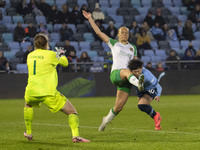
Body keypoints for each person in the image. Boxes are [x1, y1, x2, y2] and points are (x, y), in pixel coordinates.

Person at [82, 10, 144, 131]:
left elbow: (135, 65)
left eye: (126, 32)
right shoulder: (114, 43)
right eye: (122, 32)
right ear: (118, 35)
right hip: (117, 74)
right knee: (126, 70)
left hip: (127, 79)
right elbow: (99, 32)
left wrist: (138, 72)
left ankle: (105, 121)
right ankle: (139, 84)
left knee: (119, 107)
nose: (125, 34)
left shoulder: (133, 48)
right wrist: (90, 19)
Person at [23, 33, 90, 143]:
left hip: (31, 91)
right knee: (72, 112)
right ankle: (76, 137)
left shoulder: (30, 55)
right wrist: (60, 54)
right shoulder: (51, 55)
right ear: (46, 44)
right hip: (48, 92)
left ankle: (29, 133)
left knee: (28, 104)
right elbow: (65, 63)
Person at [127, 59, 162, 130]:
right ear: (131, 71)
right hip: (140, 90)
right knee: (144, 107)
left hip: (150, 89)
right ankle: (156, 118)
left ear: (142, 68)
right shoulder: (129, 73)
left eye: (138, 71)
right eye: (135, 72)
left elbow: (158, 86)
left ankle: (156, 116)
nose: (137, 73)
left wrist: (157, 95)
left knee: (142, 105)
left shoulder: (147, 75)